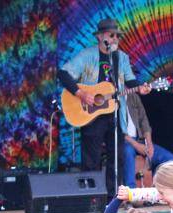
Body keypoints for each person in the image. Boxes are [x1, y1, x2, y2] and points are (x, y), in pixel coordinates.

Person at [58, 18, 150, 197]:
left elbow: (130, 81)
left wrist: (141, 87)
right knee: (91, 157)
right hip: (90, 113)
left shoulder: (121, 58)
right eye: (111, 35)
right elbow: (63, 73)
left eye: (117, 36)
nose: (115, 38)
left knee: (117, 157)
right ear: (100, 37)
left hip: (114, 112)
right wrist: (81, 94)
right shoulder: (87, 55)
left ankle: (113, 197)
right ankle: (91, 198)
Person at [124, 92, 173, 188]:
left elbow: (144, 122)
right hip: (124, 142)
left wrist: (149, 144)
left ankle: (159, 189)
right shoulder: (112, 100)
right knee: (127, 151)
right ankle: (131, 191)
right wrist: (136, 145)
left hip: (139, 139)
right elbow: (116, 130)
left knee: (168, 158)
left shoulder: (133, 96)